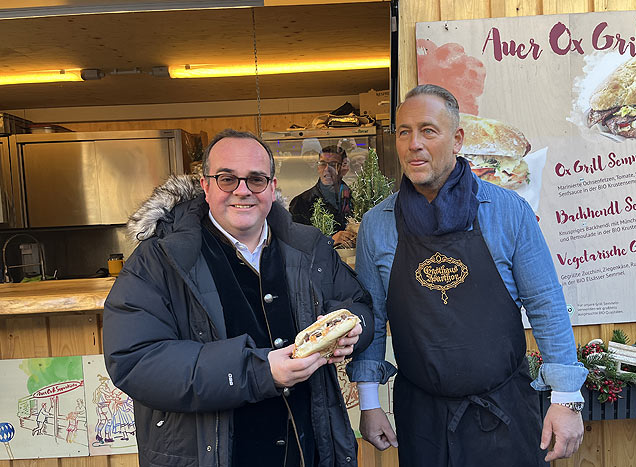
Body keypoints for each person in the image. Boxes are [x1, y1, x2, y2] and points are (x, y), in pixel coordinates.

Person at [347, 85, 588, 466]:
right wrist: (370, 401)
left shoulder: (507, 211)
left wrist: (565, 398)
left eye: (428, 130)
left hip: (503, 410)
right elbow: (372, 318)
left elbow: (546, 304)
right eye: (403, 131)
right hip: (421, 417)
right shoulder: (377, 225)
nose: (414, 144)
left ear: (457, 139)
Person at [104, 129, 374, 467]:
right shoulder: (159, 260)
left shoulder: (310, 246)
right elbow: (134, 360)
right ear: (205, 186)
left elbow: (359, 304)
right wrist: (258, 371)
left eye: (256, 179)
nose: (243, 191)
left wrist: (351, 327)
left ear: (273, 187)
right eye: (227, 179)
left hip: (306, 451)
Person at [289, 146, 356, 247]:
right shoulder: (301, 203)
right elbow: (296, 241)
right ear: (318, 167)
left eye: (333, 164)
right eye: (322, 164)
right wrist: (330, 240)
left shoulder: (356, 199)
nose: (327, 169)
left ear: (343, 167)